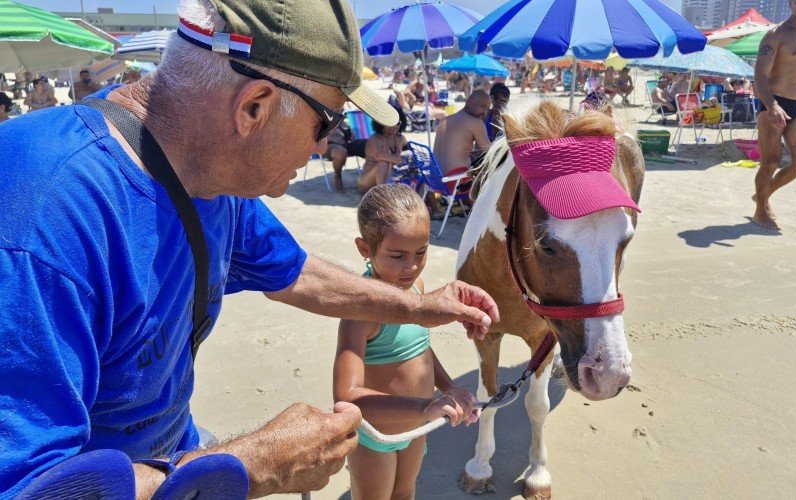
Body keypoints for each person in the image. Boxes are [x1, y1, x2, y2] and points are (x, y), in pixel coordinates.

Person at [0, 0, 501, 497]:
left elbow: (298, 275)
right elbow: (32, 488)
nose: (322, 149)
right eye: (324, 125)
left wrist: (419, 307)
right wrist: (244, 466)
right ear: (254, 107)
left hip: (171, 452)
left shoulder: (210, 175)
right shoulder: (44, 217)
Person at [334, 184, 480, 499]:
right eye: (398, 255)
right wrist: (425, 406)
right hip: (376, 438)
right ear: (365, 249)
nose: (411, 266)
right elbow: (346, 397)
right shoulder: (360, 312)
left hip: (416, 428)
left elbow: (420, 349)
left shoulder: (417, 290)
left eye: (421, 252)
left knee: (405, 493)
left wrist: (449, 388)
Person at [752, 1, 796, 231]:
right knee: (771, 160)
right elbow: (759, 73)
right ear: (790, 3)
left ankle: (762, 194)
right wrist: (771, 105)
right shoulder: (776, 34)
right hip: (774, 101)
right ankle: (761, 209)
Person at [432, 90, 491, 177]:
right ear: (470, 103)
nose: (485, 113)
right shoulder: (475, 123)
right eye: (482, 106)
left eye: (487, 109)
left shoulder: (446, 120)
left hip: (436, 179)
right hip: (455, 181)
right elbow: (489, 153)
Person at [357, 107, 409, 192]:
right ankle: (384, 195)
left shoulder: (401, 139)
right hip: (367, 181)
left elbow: (408, 154)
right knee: (383, 163)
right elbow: (384, 157)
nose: (396, 126)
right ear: (382, 123)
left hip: (389, 179)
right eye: (391, 123)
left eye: (398, 123)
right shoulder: (374, 139)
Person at [324, 120, 352, 191]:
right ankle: (337, 176)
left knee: (367, 144)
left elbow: (345, 129)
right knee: (340, 152)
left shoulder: (337, 115)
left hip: (344, 143)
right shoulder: (318, 114)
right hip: (329, 145)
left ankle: (369, 176)